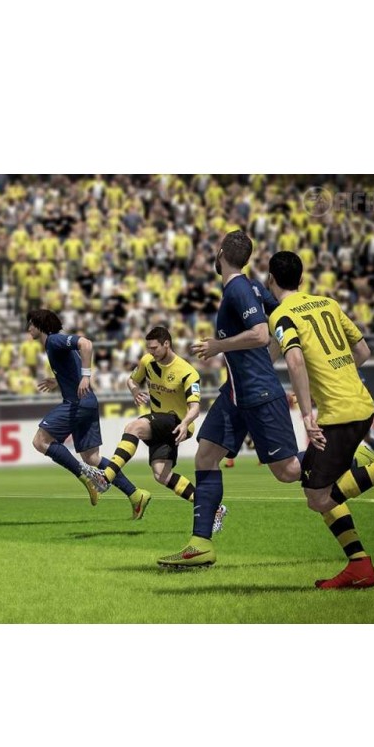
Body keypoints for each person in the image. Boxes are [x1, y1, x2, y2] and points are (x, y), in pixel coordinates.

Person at [266, 250, 374, 588]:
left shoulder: (281, 315)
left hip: (338, 416)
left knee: (317, 497)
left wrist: (307, 414)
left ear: (270, 279)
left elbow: (295, 362)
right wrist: (336, 378)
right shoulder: (328, 303)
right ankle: (359, 564)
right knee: (319, 489)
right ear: (301, 279)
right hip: (360, 404)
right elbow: (363, 351)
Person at [157, 230, 303, 568]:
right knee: (206, 455)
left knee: (288, 471)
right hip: (237, 390)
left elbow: (261, 333)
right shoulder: (254, 287)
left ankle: (354, 457)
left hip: (257, 391)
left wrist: (218, 346)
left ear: (220, 253)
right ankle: (200, 545)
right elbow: (283, 320)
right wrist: (269, 357)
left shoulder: (238, 289)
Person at [83, 326, 227, 531]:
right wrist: (135, 391)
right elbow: (131, 380)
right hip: (160, 423)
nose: (151, 352)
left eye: (154, 348)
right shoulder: (147, 362)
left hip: (178, 422)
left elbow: (195, 408)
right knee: (161, 475)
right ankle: (214, 508)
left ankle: (106, 477)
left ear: (166, 344)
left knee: (134, 427)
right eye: (148, 348)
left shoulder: (187, 372)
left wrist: (184, 423)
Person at [27, 308, 152, 519]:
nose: (28, 328)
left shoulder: (54, 340)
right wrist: (58, 380)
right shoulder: (53, 345)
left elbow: (86, 343)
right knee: (92, 457)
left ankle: (87, 478)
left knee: (40, 441)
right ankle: (136, 495)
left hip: (77, 403)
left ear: (40, 325)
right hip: (88, 403)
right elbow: (73, 366)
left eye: (30, 323)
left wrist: (86, 376)